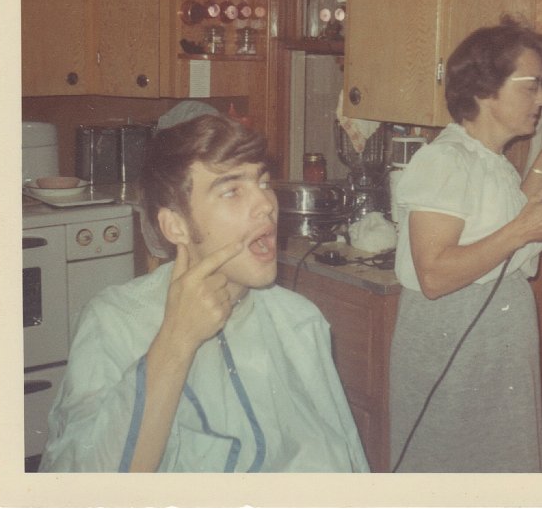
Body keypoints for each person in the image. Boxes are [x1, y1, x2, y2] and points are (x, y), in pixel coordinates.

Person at [40, 114, 369, 473]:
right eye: (232, 190)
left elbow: (349, 466)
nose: (266, 204)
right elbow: (84, 489)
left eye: (263, 181)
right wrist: (175, 340)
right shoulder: (114, 322)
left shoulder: (300, 321)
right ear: (176, 226)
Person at [389, 17, 542, 473]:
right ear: (484, 89)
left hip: (494, 346)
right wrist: (524, 230)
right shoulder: (444, 161)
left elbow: (514, 215)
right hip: (453, 343)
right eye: (532, 86)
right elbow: (434, 275)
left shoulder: (489, 160)